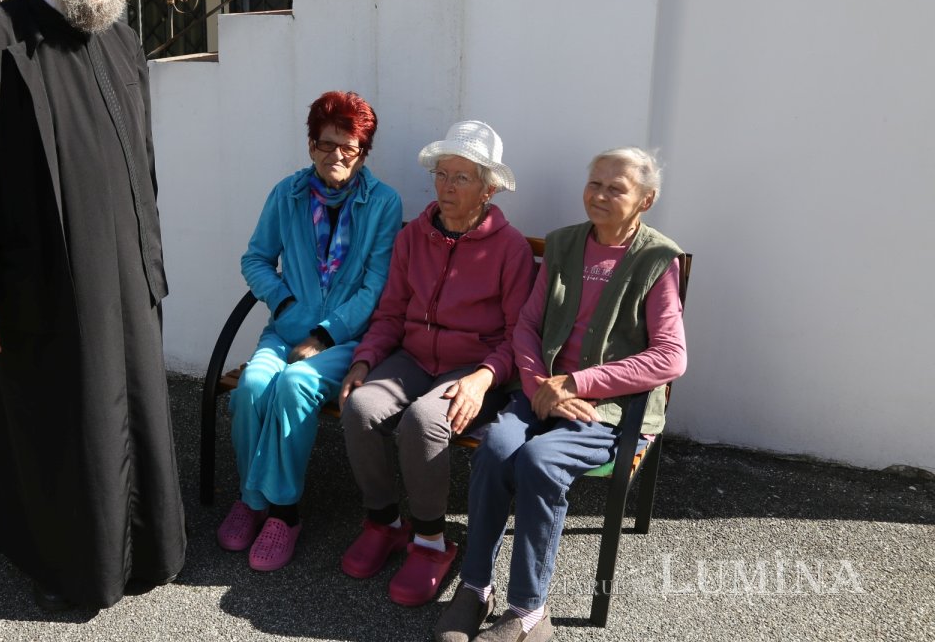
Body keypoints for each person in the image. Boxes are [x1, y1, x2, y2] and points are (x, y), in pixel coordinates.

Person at [0, 0, 186, 612]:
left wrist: (153, 265)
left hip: (127, 279)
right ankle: (67, 569)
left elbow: (143, 167)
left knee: (132, 415)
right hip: (36, 285)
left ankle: (145, 552)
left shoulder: (123, 41)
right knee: (60, 429)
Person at [433, 147, 687, 642]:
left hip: (611, 410)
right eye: (595, 183)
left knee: (540, 461)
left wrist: (575, 383)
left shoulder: (658, 259)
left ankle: (529, 611)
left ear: (646, 200)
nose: (600, 195)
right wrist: (537, 387)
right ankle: (474, 586)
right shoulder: (564, 245)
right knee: (498, 448)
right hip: (540, 392)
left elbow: (670, 357)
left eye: (617, 188)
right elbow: (527, 325)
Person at [338, 120, 536, 607]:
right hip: (411, 357)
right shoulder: (413, 237)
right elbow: (388, 313)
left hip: (470, 368)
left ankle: (431, 541)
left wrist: (483, 379)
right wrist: (365, 360)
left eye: (461, 178)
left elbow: (519, 336)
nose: (446, 187)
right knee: (359, 406)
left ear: (488, 188)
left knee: (425, 420)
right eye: (442, 175)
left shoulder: (510, 249)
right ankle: (384, 521)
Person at [219, 91, 403, 571]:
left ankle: (281, 512)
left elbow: (375, 285)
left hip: (348, 338)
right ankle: (250, 497)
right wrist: (285, 304)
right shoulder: (287, 193)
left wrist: (323, 335)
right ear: (310, 145)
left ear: (363, 151)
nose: (336, 156)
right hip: (286, 327)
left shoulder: (383, 203)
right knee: (252, 388)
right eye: (326, 144)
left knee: (296, 385)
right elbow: (256, 259)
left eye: (349, 147)